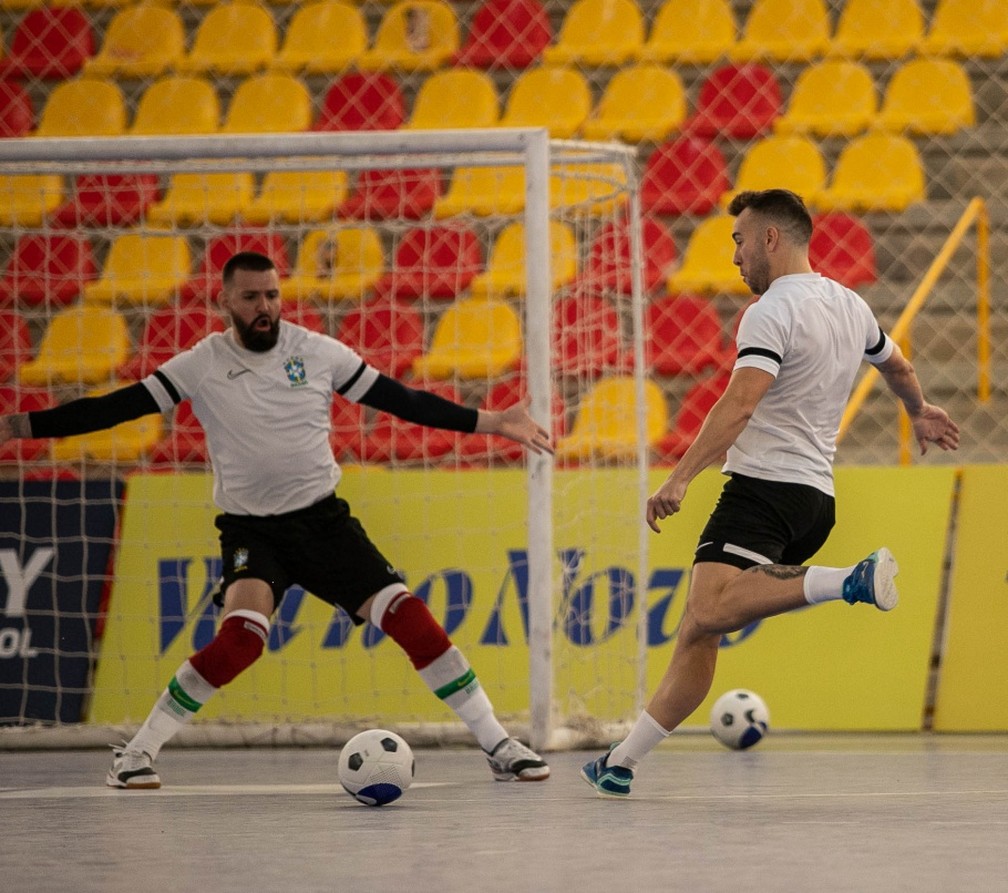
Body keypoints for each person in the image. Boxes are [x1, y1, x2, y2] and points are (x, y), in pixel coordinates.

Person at [0, 250, 555, 789]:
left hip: (323, 524)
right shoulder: (203, 363)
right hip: (252, 532)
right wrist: (17, 427)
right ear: (226, 302)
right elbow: (115, 407)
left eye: (271, 295)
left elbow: (402, 400)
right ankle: (137, 752)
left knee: (409, 618)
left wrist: (492, 421)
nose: (264, 306)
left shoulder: (316, 352)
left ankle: (498, 745)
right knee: (241, 641)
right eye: (251, 297)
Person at [581, 189, 960, 798]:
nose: (733, 256)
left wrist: (681, 476)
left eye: (738, 240)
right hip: (815, 501)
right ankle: (620, 762)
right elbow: (899, 367)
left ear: (771, 239)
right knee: (698, 631)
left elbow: (741, 402)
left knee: (706, 612)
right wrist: (919, 412)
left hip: (764, 488)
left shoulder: (769, 312)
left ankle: (850, 581)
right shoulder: (850, 305)